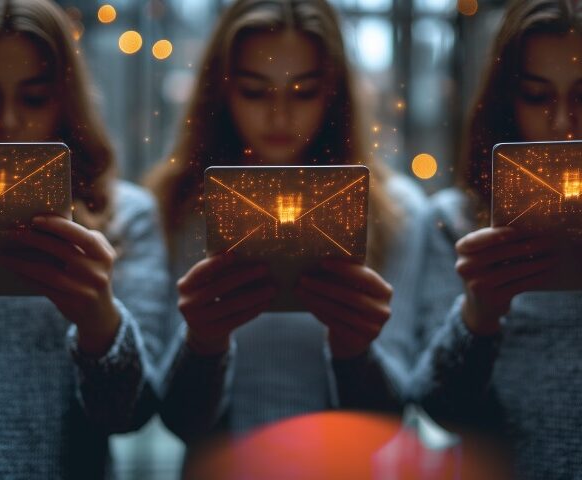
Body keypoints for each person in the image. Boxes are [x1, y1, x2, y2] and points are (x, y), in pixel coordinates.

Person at [146, 0, 427, 444]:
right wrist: (202, 343)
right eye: (256, 91)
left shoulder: (398, 211)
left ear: (334, 92)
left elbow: (391, 418)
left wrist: (355, 352)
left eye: (303, 92)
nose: (279, 117)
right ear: (222, 91)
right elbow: (175, 416)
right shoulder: (174, 207)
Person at [0, 0, 169, 478]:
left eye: (34, 97)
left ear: (65, 101)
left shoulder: (126, 217)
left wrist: (99, 323)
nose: (6, 122)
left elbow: (132, 414)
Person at [407, 0, 582, 478]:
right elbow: (439, 409)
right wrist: (477, 317)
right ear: (507, 102)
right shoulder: (453, 222)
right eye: (536, 96)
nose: (563, 124)